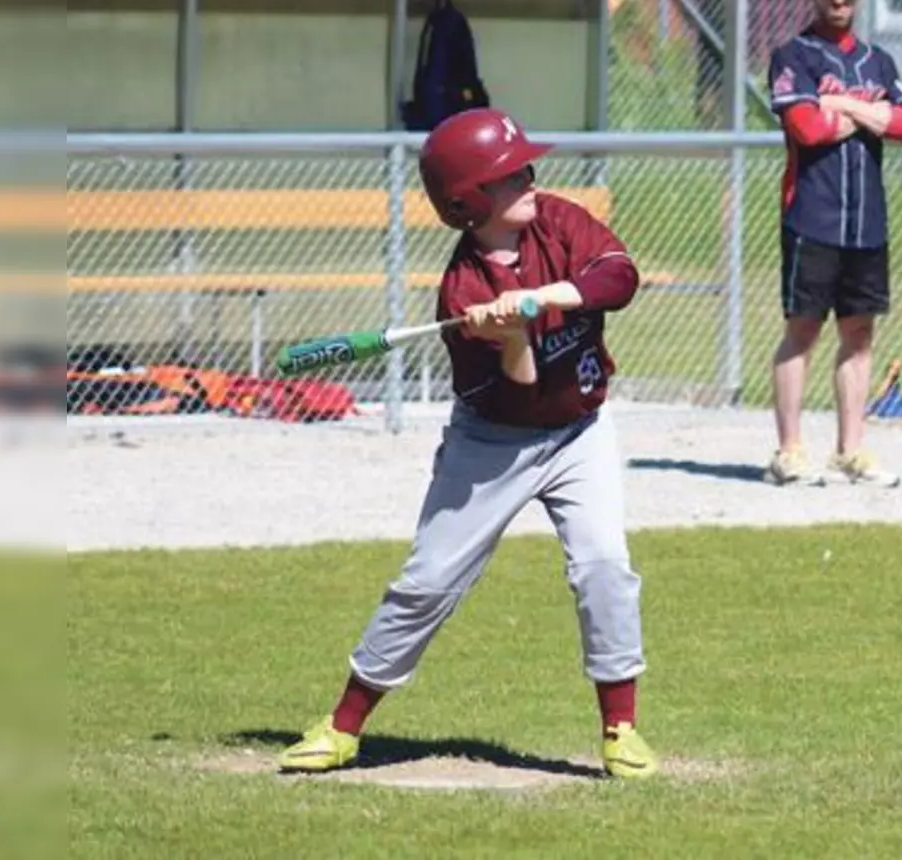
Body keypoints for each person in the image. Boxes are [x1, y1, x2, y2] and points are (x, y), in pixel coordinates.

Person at [277, 107, 658, 780]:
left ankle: (620, 728)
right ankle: (343, 726)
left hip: (581, 432)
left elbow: (619, 278)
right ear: (469, 202)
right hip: (494, 445)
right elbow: (520, 399)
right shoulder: (464, 294)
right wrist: (511, 338)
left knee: (604, 566)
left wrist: (540, 301)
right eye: (512, 177)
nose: (532, 181)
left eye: (528, 169)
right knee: (428, 581)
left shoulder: (560, 221)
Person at [763, 0, 902, 488]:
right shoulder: (794, 55)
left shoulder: (878, 60)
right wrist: (865, 113)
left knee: (860, 333)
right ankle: (789, 451)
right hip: (813, 214)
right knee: (802, 330)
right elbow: (807, 128)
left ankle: (850, 450)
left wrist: (838, 103)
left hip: (866, 221)